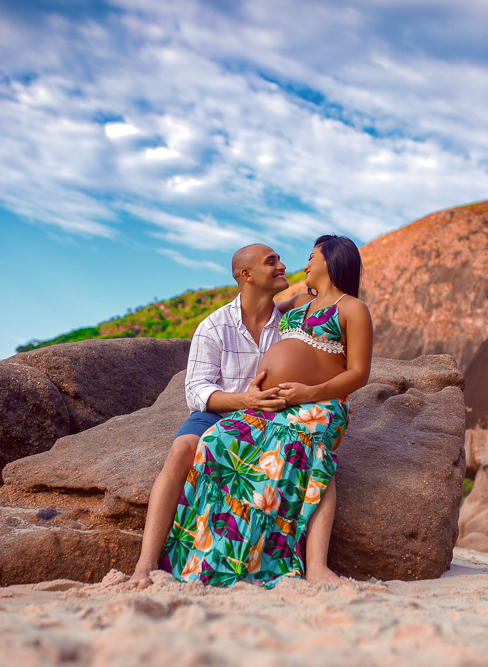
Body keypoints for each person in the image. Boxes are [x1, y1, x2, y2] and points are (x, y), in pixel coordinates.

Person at [158, 235, 373, 587]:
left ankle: (313, 565)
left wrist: (309, 391)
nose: (303, 264)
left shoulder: (352, 309)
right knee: (215, 443)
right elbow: (257, 308)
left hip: (318, 405)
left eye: (313, 257)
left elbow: (359, 374)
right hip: (274, 405)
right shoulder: (296, 303)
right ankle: (210, 555)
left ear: (333, 261)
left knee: (304, 450)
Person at [129, 243, 291, 586]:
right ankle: (145, 564)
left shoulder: (290, 325)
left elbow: (318, 289)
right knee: (181, 449)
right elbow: (197, 390)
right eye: (271, 261)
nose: (282, 266)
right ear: (246, 275)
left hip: (268, 417)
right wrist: (245, 400)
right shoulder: (213, 326)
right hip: (219, 413)